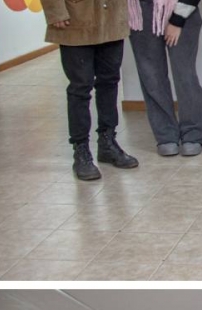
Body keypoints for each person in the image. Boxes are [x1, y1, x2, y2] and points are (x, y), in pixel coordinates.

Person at [41, 0, 139, 181]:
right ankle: (81, 151)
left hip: (112, 19)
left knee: (110, 81)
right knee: (80, 87)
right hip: (76, 18)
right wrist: (55, 12)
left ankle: (107, 142)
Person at [127, 0, 202, 157]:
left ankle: (193, 133)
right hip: (139, 12)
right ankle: (165, 135)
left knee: (185, 75)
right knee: (151, 77)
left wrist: (177, 20)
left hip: (180, 9)